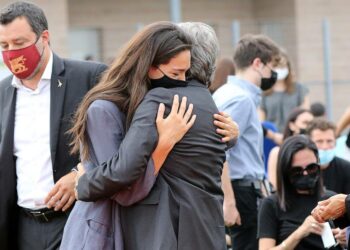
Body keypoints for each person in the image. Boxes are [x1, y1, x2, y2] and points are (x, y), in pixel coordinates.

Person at [74, 22, 234, 249]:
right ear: (149, 65)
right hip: (203, 227)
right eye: (175, 73)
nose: (180, 81)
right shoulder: (205, 99)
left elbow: (124, 168)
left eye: (184, 73)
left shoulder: (161, 98)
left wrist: (83, 184)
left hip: (169, 230)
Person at [0, 2, 107, 250]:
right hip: (23, 226)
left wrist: (80, 173)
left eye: (19, 43)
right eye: (4, 46)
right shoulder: (4, 93)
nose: (11, 52)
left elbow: (122, 138)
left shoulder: (90, 77)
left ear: (44, 37)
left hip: (77, 220)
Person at [213, 34, 281, 250]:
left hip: (240, 189)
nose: (272, 74)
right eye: (270, 67)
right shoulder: (240, 99)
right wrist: (230, 202)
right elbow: (219, 150)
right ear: (257, 64)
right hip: (242, 191)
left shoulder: (226, 91)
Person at [258, 135, 343, 250]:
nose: (305, 174)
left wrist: (345, 237)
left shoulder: (331, 199)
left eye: (311, 168)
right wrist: (299, 233)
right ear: (285, 170)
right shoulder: (272, 204)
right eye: (297, 170)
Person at [259, 51, 310, 132]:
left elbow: (306, 115)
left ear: (288, 67)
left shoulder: (299, 89)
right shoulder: (263, 91)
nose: (279, 70)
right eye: (276, 66)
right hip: (271, 135)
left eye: (282, 66)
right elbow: (261, 119)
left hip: (294, 135)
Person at [268, 108, 314, 189]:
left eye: (312, 124)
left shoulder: (316, 152)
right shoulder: (277, 153)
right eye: (305, 123)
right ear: (292, 125)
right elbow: (274, 185)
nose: (309, 127)